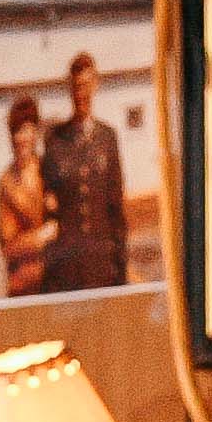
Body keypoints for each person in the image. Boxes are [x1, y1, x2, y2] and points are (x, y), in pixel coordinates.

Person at [40, 52, 133, 293]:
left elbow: (116, 206)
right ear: (69, 89)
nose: (81, 93)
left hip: (101, 264)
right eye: (75, 87)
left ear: (95, 85)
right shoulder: (54, 141)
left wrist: (120, 266)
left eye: (85, 85)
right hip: (67, 267)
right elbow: (46, 208)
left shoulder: (108, 138)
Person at [0, 98, 58, 299]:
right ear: (11, 136)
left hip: (56, 280)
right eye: (17, 131)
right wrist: (40, 237)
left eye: (28, 129)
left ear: (36, 132)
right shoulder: (6, 182)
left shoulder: (50, 170)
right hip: (22, 284)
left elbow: (65, 226)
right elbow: (9, 247)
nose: (22, 138)